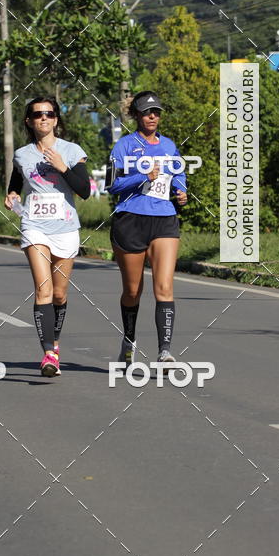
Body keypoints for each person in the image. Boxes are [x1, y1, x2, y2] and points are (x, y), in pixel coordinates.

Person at [4, 97, 90, 377]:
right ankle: (49, 354)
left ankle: (55, 343)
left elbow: (85, 191)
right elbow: (17, 180)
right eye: (37, 114)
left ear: (56, 119)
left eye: (49, 114)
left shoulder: (71, 150)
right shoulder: (22, 154)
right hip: (34, 225)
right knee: (44, 290)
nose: (44, 118)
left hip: (65, 228)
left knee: (60, 293)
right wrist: (13, 194)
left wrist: (62, 166)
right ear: (29, 121)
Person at [107, 91, 187, 367]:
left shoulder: (168, 145)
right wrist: (144, 176)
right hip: (130, 219)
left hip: (164, 218)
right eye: (147, 112)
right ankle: (128, 340)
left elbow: (179, 172)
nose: (153, 116)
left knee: (164, 287)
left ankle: (165, 351)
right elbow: (113, 185)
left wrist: (181, 190)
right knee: (132, 291)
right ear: (136, 115)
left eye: (157, 112)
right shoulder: (124, 146)